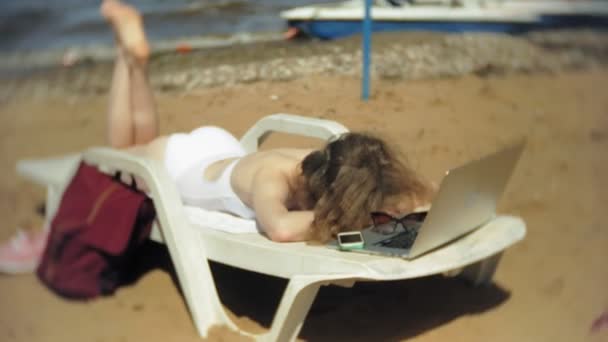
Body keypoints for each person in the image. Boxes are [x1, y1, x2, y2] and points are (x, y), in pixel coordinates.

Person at [0, 0, 435, 274]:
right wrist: (353, 222)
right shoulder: (273, 184)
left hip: (222, 152)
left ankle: (133, 57)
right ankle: (124, 57)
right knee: (122, 153)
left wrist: (415, 200)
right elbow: (281, 229)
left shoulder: (331, 160)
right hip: (182, 165)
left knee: (143, 135)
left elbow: (388, 187)